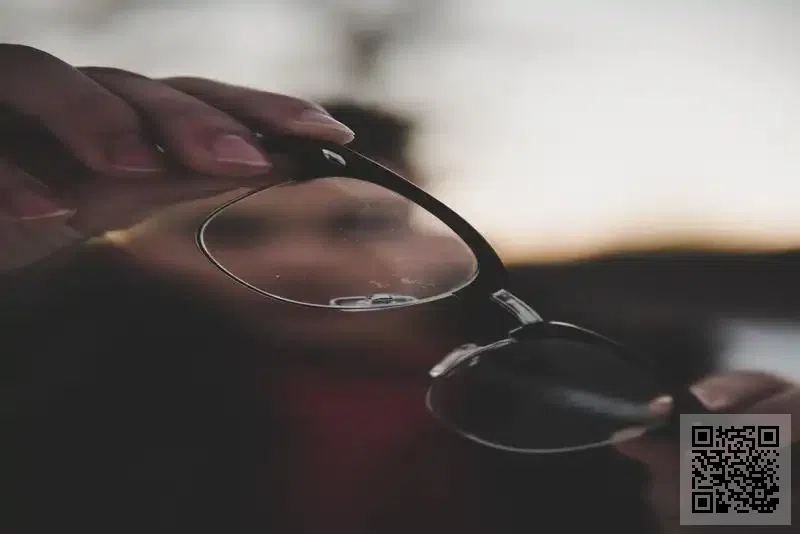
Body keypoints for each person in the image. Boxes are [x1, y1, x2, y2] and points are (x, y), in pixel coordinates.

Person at [1, 44, 797, 534]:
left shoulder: (651, 372)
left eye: (360, 224)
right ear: (131, 247)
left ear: (436, 227)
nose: (304, 261)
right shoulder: (39, 380)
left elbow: (748, 513)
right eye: (235, 233)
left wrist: (747, 507)